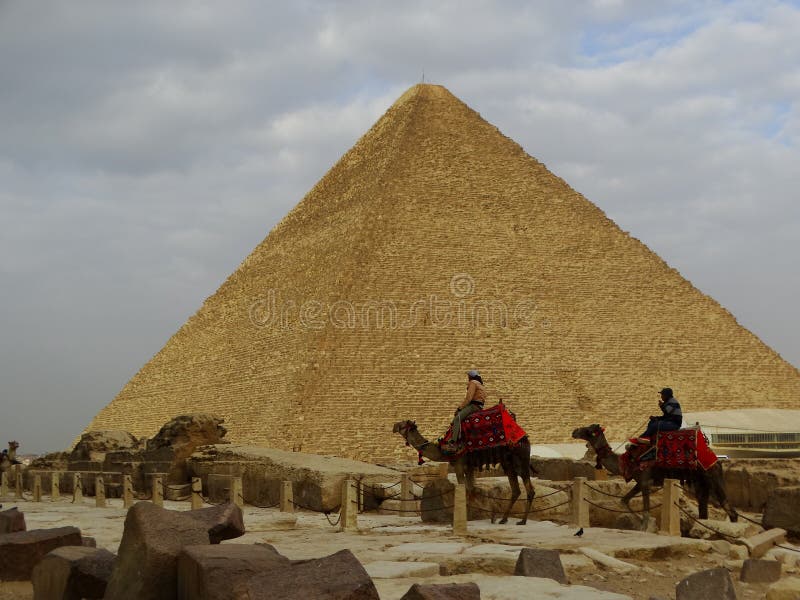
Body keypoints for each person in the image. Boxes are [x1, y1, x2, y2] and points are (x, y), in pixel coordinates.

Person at [443, 369, 487, 451]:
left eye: (468, 376)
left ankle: (453, 442)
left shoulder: (473, 383)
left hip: (473, 406)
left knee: (457, 419)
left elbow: (469, 398)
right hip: (479, 406)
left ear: (470, 376)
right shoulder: (480, 384)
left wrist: (459, 408)